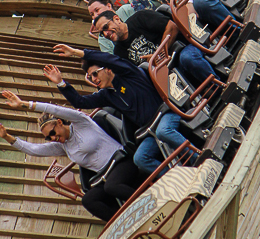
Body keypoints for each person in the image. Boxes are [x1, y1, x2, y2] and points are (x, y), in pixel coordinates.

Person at [0, 90, 141, 221]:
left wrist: (25, 104)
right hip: (105, 175)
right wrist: (7, 137)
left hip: (121, 161)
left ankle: (146, 202)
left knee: (111, 186)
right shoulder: (63, 146)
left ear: (59, 122)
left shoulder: (81, 122)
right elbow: (35, 150)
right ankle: (124, 221)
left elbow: (54, 109)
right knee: (89, 200)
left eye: (52, 133)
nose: (53, 138)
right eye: (48, 137)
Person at [45, 47, 190, 174]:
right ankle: (175, 177)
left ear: (107, 69)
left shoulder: (128, 73)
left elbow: (110, 59)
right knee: (140, 158)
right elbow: (80, 102)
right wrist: (61, 83)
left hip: (166, 113)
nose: (93, 79)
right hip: (150, 130)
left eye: (95, 74)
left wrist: (77, 53)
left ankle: (197, 158)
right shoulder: (106, 95)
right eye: (90, 77)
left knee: (163, 131)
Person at [92, 8, 219, 86]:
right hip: (164, 76)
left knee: (188, 58)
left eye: (105, 27)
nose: (106, 34)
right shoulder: (119, 52)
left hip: (179, 51)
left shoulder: (139, 18)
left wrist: (159, 54)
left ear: (116, 19)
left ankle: (217, 86)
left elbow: (172, 27)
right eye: (102, 33)